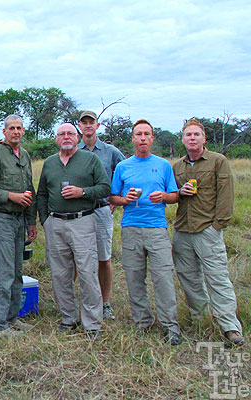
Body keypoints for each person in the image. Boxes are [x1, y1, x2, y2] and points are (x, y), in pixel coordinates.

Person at [172, 119, 244, 346]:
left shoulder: (217, 162)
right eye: (187, 135)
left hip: (207, 230)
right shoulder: (178, 166)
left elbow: (226, 197)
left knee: (217, 278)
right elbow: (172, 195)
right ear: (182, 139)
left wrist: (217, 227)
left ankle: (230, 327)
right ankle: (200, 319)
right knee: (189, 279)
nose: (192, 138)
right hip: (183, 230)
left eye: (196, 134)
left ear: (204, 138)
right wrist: (180, 192)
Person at [110, 119, 182, 345]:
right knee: (134, 278)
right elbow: (113, 197)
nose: (142, 138)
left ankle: (170, 326)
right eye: (138, 134)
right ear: (132, 138)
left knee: (163, 278)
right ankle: (142, 322)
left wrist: (164, 197)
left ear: (152, 138)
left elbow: (174, 195)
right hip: (131, 228)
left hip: (157, 229)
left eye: (146, 134)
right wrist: (125, 199)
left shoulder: (163, 165)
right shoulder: (123, 167)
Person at [36, 122, 109, 338]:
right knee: (60, 274)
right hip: (55, 224)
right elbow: (41, 194)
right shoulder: (49, 163)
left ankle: (93, 324)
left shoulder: (90, 160)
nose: (66, 137)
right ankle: (68, 318)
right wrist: (45, 220)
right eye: (62, 134)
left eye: (70, 133)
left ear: (76, 137)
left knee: (87, 273)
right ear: (56, 138)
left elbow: (105, 188)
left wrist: (82, 192)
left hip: (83, 221)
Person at [0, 115, 38, 337]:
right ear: (4, 132)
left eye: (19, 128)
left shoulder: (25, 155)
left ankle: (13, 319)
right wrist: (11, 196)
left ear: (23, 131)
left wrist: (31, 221)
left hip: (19, 221)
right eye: (11, 128)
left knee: (17, 272)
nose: (15, 132)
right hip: (1, 217)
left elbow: (29, 189)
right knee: (4, 274)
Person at [77, 110, 126, 321]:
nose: (88, 126)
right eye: (84, 122)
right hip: (76, 212)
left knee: (103, 258)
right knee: (76, 258)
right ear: (79, 126)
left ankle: (105, 304)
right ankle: (78, 303)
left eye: (92, 122)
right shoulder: (72, 149)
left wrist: (116, 199)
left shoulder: (110, 152)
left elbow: (125, 173)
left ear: (98, 126)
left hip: (101, 210)